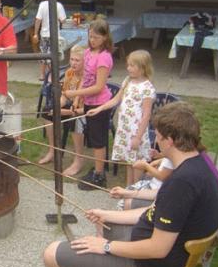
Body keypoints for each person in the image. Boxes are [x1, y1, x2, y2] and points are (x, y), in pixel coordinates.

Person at [43, 102, 218, 267]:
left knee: (52, 254)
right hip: (160, 258)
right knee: (107, 222)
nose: (156, 141)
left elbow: (158, 248)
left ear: (170, 141)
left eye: (158, 137)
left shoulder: (181, 183)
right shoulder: (198, 163)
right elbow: (158, 210)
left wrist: (105, 246)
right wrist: (108, 214)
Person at [87, 50, 156, 185]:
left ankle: (135, 191)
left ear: (142, 68)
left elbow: (147, 114)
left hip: (137, 132)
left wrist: (137, 137)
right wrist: (98, 109)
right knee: (129, 163)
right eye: (128, 65)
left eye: (132, 65)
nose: (128, 68)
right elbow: (115, 100)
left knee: (136, 163)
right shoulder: (127, 81)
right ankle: (128, 188)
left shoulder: (147, 88)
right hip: (125, 130)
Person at [63, 19, 114, 190]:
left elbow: (99, 87)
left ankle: (100, 176)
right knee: (92, 138)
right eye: (90, 36)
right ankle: (97, 170)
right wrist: (78, 100)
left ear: (105, 38)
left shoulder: (104, 57)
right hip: (89, 102)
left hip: (100, 104)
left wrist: (74, 94)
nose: (92, 40)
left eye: (96, 38)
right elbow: (85, 79)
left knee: (98, 141)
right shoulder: (87, 53)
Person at [38, 45, 85, 178]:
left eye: (77, 60)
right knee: (47, 112)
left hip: (83, 111)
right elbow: (64, 95)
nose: (73, 63)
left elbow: (83, 109)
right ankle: (52, 150)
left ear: (85, 61)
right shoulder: (70, 72)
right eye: (72, 59)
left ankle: (78, 159)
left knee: (75, 122)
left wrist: (66, 113)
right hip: (71, 106)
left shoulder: (87, 78)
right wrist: (57, 108)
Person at [33, 0, 67, 81]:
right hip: (55, 35)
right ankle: (52, 74)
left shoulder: (42, 5)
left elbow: (38, 20)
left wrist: (35, 33)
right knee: (54, 54)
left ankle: (42, 74)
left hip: (44, 34)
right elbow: (63, 20)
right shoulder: (58, 5)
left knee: (43, 54)